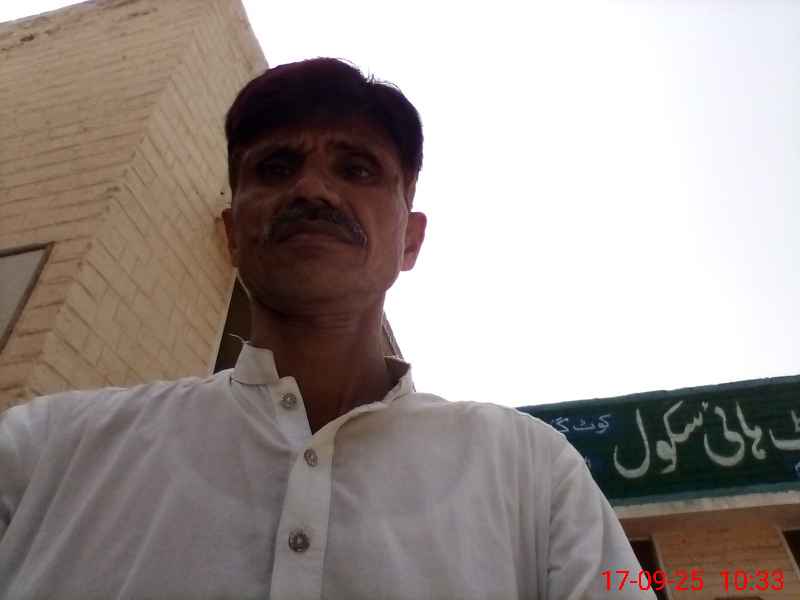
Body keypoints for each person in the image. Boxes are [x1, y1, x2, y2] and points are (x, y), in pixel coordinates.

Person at [0, 58, 653, 599]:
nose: (312, 189)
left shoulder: (531, 473)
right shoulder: (46, 453)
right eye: (275, 167)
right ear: (231, 233)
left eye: (357, 168)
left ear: (410, 239)